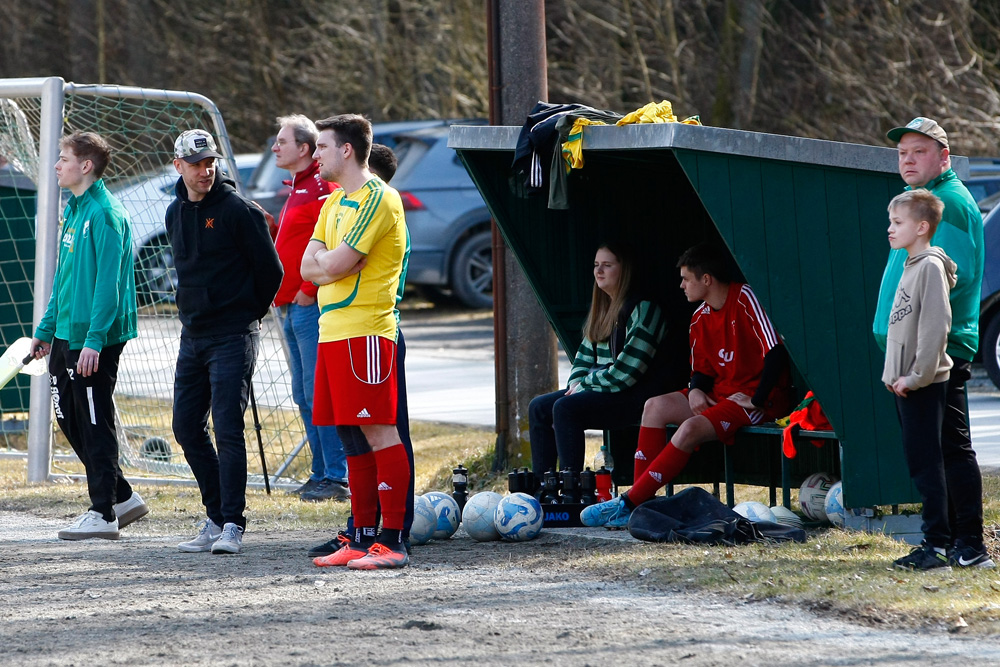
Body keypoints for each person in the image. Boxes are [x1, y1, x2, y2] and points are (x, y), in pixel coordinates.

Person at [581, 243, 790, 528]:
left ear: (706, 279)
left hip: (755, 400)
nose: (681, 286)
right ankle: (639, 506)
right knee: (654, 406)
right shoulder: (700, 316)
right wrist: (694, 390)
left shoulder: (744, 297)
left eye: (686, 279)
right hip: (720, 395)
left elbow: (775, 350)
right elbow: (701, 370)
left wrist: (758, 399)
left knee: (689, 428)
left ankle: (629, 502)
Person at [874, 117, 993, 568]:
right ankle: (960, 545)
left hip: (935, 352)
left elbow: (947, 286)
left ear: (943, 156)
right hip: (916, 353)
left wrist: (921, 361)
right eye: (902, 152)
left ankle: (956, 544)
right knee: (940, 448)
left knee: (943, 450)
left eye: (918, 151)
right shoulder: (919, 202)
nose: (907, 159)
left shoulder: (945, 204)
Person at [301, 116, 411, 570]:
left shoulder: (378, 198)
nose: (316, 155)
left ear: (347, 151)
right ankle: (362, 535)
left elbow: (341, 262)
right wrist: (329, 263)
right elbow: (309, 268)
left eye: (322, 147)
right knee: (349, 434)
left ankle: (393, 540)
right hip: (333, 331)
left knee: (379, 431)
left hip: (366, 332)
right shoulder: (332, 203)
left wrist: (329, 262)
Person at [167, 129, 283, 555]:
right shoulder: (174, 212)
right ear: (178, 165)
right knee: (184, 426)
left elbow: (272, 273)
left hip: (234, 335)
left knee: (228, 428)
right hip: (192, 336)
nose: (205, 170)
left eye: (210, 161)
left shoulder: (238, 210)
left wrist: (243, 313)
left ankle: (233, 522)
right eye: (196, 163)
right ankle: (214, 515)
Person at [30, 131, 148, 540]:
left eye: (63, 158)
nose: (57, 165)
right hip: (65, 331)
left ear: (85, 166)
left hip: (94, 336)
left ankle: (103, 513)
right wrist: (46, 330)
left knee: (95, 421)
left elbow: (108, 285)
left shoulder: (105, 214)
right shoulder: (75, 209)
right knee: (68, 416)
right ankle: (123, 497)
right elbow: (64, 278)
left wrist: (95, 339)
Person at [528, 242, 671, 475]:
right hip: (610, 392)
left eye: (607, 265)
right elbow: (583, 359)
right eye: (596, 265)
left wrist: (584, 386)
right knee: (539, 407)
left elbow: (626, 374)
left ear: (624, 270)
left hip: (638, 397)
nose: (598, 271)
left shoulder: (644, 309)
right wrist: (575, 383)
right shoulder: (603, 307)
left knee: (565, 408)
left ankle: (571, 487)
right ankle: (542, 488)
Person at [270, 115, 349, 502]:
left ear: (303, 148)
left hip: (308, 306)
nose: (274, 147)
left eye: (282, 141)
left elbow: (331, 242)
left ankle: (336, 475)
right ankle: (320, 472)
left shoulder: (323, 187)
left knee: (320, 393)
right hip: (288, 307)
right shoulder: (298, 188)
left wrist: (307, 288)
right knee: (303, 393)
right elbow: (299, 240)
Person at [880, 190, 959, 570]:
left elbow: (935, 328)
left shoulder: (928, 266)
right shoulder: (911, 263)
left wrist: (915, 376)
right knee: (920, 463)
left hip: (923, 385)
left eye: (898, 223)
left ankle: (938, 546)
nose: (890, 229)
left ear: (922, 227)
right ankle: (935, 542)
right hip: (906, 384)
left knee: (927, 465)